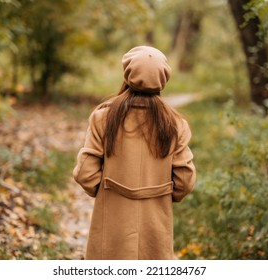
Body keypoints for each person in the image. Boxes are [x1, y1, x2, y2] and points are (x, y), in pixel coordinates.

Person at [73, 46, 196, 260]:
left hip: (111, 225)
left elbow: (85, 172)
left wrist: (105, 194)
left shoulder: (103, 117)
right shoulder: (176, 125)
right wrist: (160, 197)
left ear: (127, 74)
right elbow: (185, 181)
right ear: (163, 79)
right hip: (155, 230)